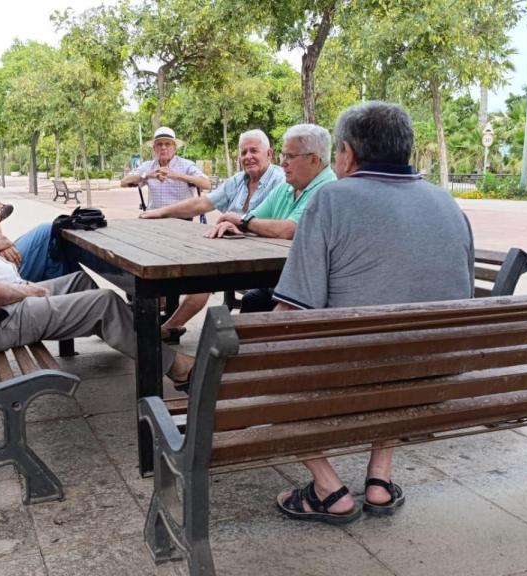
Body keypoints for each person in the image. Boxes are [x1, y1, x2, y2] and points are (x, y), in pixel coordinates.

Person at [272, 102, 474, 524]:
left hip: (354, 377)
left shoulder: (331, 200)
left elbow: (288, 313)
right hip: (434, 375)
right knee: (397, 343)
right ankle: (379, 481)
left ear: (346, 153)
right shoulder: (447, 203)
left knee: (255, 360)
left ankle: (328, 489)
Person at [0, 131, 193, 384]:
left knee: (80, 281)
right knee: (104, 303)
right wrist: (23, 291)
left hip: (2, 303)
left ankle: (139, 340)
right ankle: (178, 368)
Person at [138, 129, 285, 341]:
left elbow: (281, 225)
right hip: (229, 251)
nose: (247, 157)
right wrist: (159, 212)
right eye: (243, 152)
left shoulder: (280, 181)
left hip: (262, 258)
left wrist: (241, 225)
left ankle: (167, 328)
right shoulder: (239, 180)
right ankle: (168, 324)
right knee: (184, 264)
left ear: (269, 154)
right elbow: (202, 203)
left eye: (254, 151)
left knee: (203, 273)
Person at [207, 124, 337, 313]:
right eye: (283, 155)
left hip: (313, 291)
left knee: (256, 306)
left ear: (315, 160)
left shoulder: (327, 189)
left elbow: (289, 230)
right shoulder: (288, 186)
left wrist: (242, 221)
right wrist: (233, 223)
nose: (283, 162)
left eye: (290, 157)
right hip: (284, 279)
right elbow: (254, 218)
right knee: (252, 301)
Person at [120, 127, 210, 209]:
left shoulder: (187, 165)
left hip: (181, 218)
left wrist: (177, 176)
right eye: (159, 144)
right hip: (154, 217)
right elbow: (124, 182)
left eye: (167, 144)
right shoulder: (147, 166)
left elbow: (207, 184)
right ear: (154, 148)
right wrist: (147, 175)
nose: (163, 147)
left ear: (175, 148)